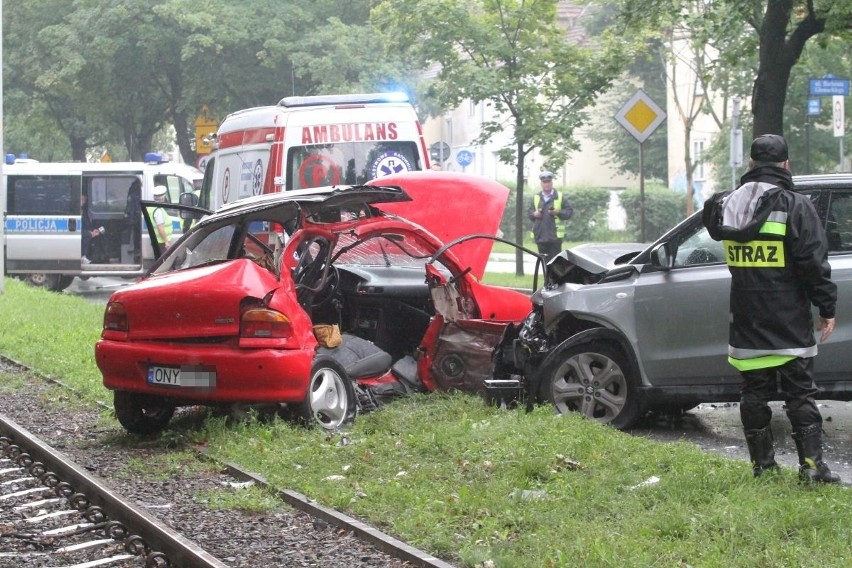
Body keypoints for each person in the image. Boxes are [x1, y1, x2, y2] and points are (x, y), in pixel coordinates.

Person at [702, 134, 840, 483]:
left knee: (753, 392)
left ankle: (762, 468)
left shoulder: (725, 205)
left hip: (746, 314)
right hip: (789, 317)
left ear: (750, 164)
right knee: (800, 393)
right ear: (786, 165)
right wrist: (826, 307)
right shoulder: (795, 205)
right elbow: (814, 263)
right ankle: (811, 471)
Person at [528, 171, 572, 263]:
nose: (546, 184)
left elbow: (569, 213)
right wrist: (534, 214)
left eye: (548, 181)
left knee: (555, 264)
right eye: (544, 182)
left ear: (552, 182)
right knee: (544, 264)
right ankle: (546, 278)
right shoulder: (536, 197)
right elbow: (529, 214)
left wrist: (557, 212)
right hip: (540, 236)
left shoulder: (560, 196)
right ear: (541, 184)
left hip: (555, 237)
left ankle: (553, 278)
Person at [81, 191, 104, 265]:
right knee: (86, 238)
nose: (82, 202)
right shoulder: (78, 212)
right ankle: (83, 257)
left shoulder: (88, 211)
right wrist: (90, 233)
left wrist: (98, 231)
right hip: (84, 233)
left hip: (93, 231)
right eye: (81, 199)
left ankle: (101, 257)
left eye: (84, 200)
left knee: (103, 233)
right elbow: (78, 229)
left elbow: (101, 225)